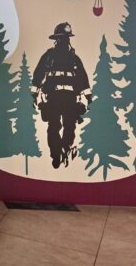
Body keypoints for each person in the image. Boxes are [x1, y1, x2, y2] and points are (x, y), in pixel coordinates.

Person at [31, 22, 92, 169]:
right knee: (54, 126)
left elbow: (83, 78)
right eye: (62, 38)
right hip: (53, 97)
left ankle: (64, 148)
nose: (64, 40)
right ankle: (56, 154)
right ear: (56, 39)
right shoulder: (49, 56)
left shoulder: (74, 58)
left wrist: (88, 96)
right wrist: (34, 94)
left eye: (66, 37)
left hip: (70, 98)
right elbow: (38, 74)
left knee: (69, 126)